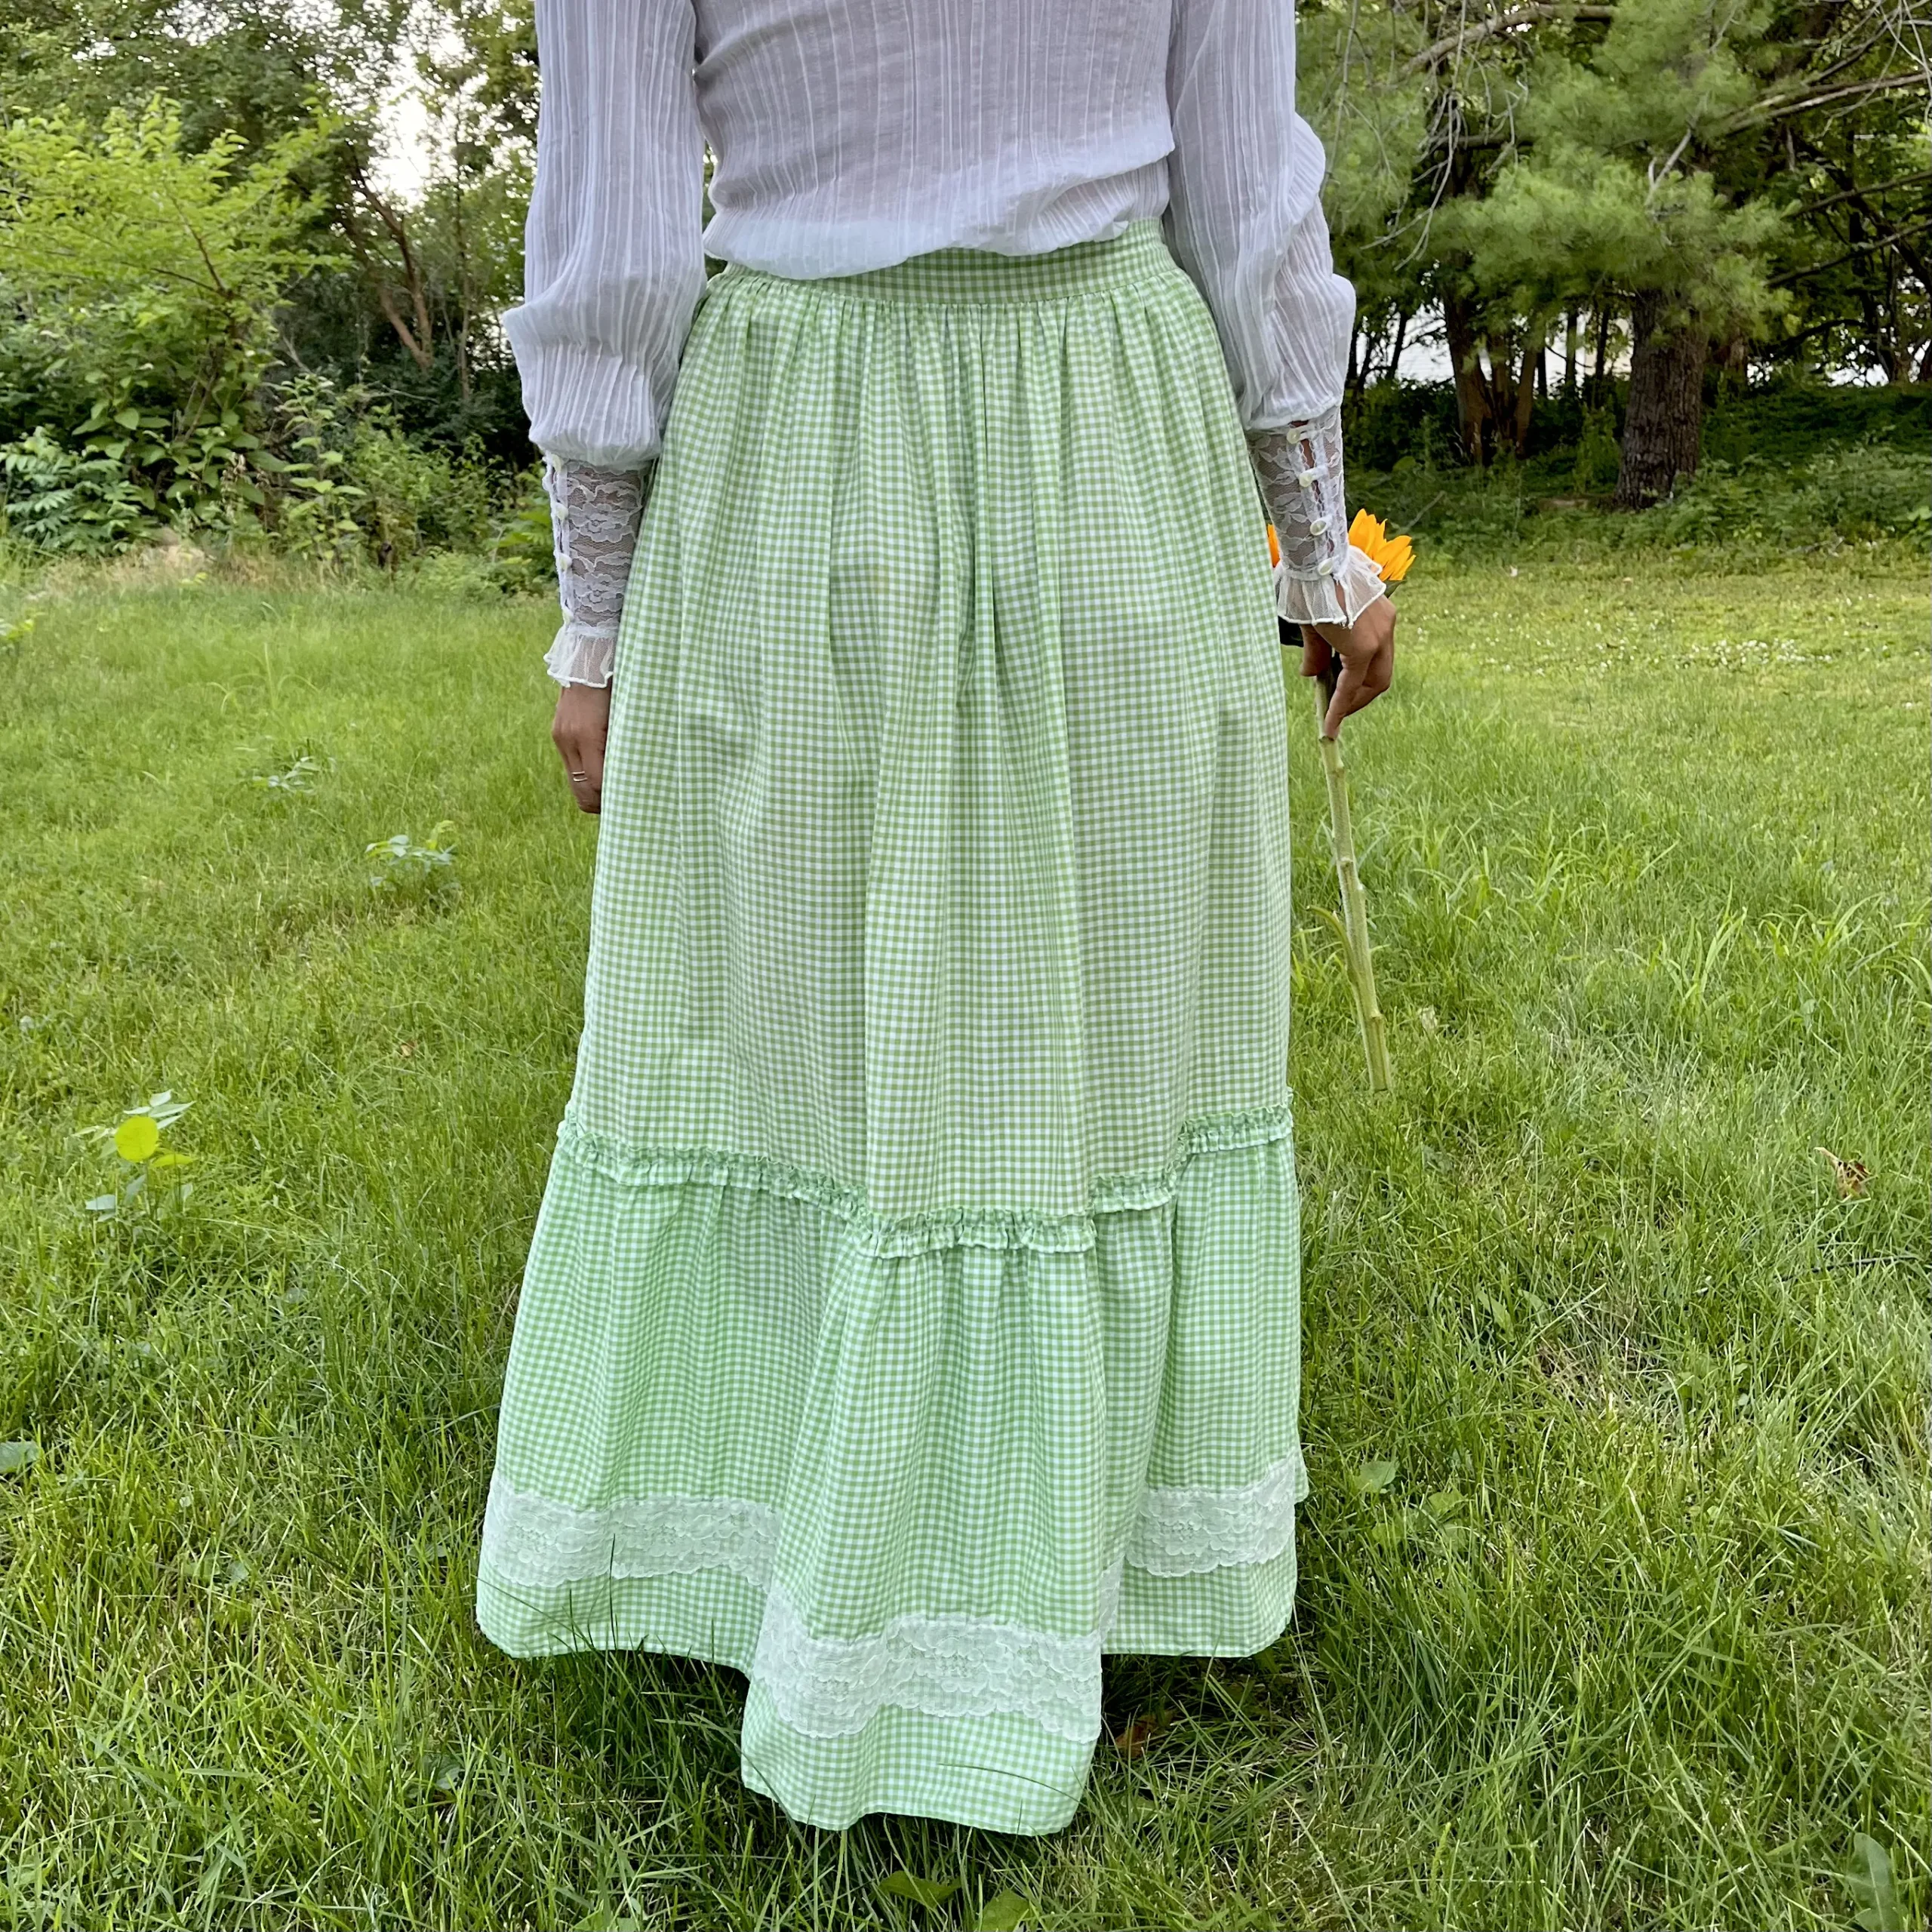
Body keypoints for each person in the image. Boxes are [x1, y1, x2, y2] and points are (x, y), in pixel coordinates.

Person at [475, 0, 1397, 1837]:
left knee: (809, 1012)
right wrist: (1310, 533)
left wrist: (598, 614)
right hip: (1093, 427)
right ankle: (1009, 1542)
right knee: (1071, 1022)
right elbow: (1240, 187)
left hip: (809, 440)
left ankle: (869, 1534)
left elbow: (617, 236)